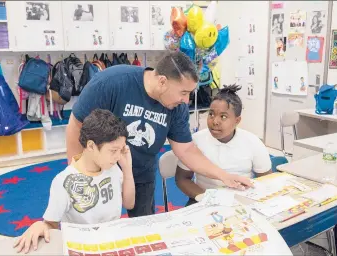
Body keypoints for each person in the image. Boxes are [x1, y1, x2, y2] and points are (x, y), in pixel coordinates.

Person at [66, 51, 253, 218]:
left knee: (143, 227)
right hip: (99, 171)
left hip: (141, 172)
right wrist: (77, 173)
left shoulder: (177, 107)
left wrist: (223, 176)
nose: (186, 100)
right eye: (184, 92)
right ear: (162, 81)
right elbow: (76, 125)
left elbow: (186, 149)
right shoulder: (113, 82)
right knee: (95, 225)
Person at [13, 109, 135, 254]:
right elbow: (51, 224)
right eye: (113, 150)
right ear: (91, 146)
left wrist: (127, 169)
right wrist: (41, 225)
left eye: (121, 150)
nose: (117, 156)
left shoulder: (112, 167)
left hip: (112, 243)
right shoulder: (64, 182)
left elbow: (129, 204)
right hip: (83, 248)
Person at [175, 85, 272, 206]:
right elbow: (182, 179)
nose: (215, 121)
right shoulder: (195, 140)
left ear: (237, 121)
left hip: (240, 201)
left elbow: (267, 180)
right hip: (203, 199)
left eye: (223, 116)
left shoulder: (252, 142)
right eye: (211, 114)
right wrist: (208, 199)